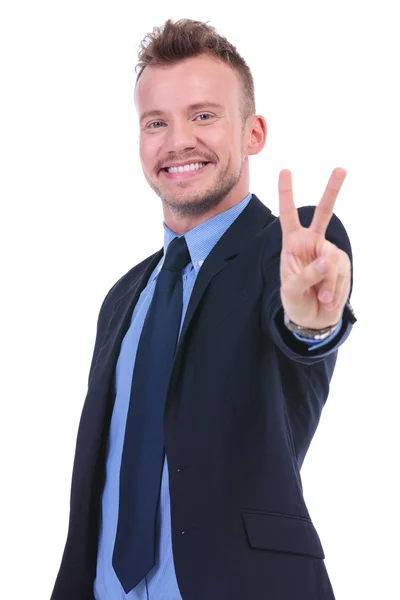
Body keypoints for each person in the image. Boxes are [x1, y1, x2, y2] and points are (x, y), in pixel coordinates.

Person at [50, 18, 356, 600]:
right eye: (155, 123)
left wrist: (311, 320)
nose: (177, 141)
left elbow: (304, 326)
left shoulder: (287, 253)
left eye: (204, 115)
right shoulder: (123, 296)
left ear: (253, 132)